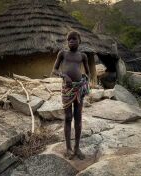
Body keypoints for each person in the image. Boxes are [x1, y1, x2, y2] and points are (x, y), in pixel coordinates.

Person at [51, 31, 90, 160]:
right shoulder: (62, 54)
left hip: (78, 89)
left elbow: (88, 73)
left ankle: (77, 147)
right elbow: (54, 70)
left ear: (80, 40)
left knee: (78, 117)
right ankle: (68, 148)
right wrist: (64, 75)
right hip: (67, 89)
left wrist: (85, 78)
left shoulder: (83, 56)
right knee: (68, 117)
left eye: (74, 39)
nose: (71, 41)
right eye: (69, 39)